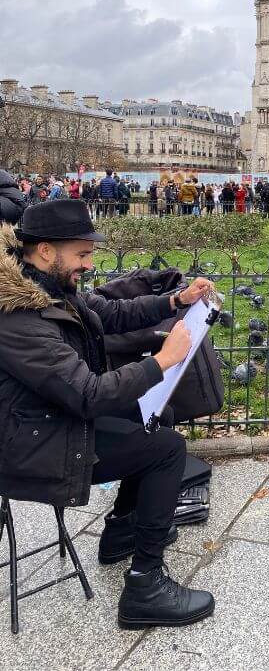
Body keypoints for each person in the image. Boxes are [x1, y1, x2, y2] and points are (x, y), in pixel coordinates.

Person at [0, 200, 216, 628]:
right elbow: (88, 395)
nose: (89, 262)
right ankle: (145, 586)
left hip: (49, 419)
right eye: (82, 253)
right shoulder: (18, 318)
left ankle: (120, 531)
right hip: (29, 446)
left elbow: (111, 313)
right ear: (45, 250)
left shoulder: (45, 286)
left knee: (161, 416)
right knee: (167, 449)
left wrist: (176, 299)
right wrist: (161, 362)